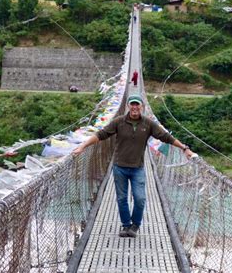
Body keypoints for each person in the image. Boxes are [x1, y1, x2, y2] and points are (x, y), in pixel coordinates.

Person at [72, 94, 194, 238]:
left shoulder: (148, 124)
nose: (135, 107)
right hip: (119, 167)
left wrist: (184, 148)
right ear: (128, 106)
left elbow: (166, 137)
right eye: (132, 104)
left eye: (137, 105)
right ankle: (126, 225)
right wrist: (83, 146)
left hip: (138, 168)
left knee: (140, 198)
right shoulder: (119, 122)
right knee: (122, 199)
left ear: (142, 107)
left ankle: (135, 224)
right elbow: (101, 134)